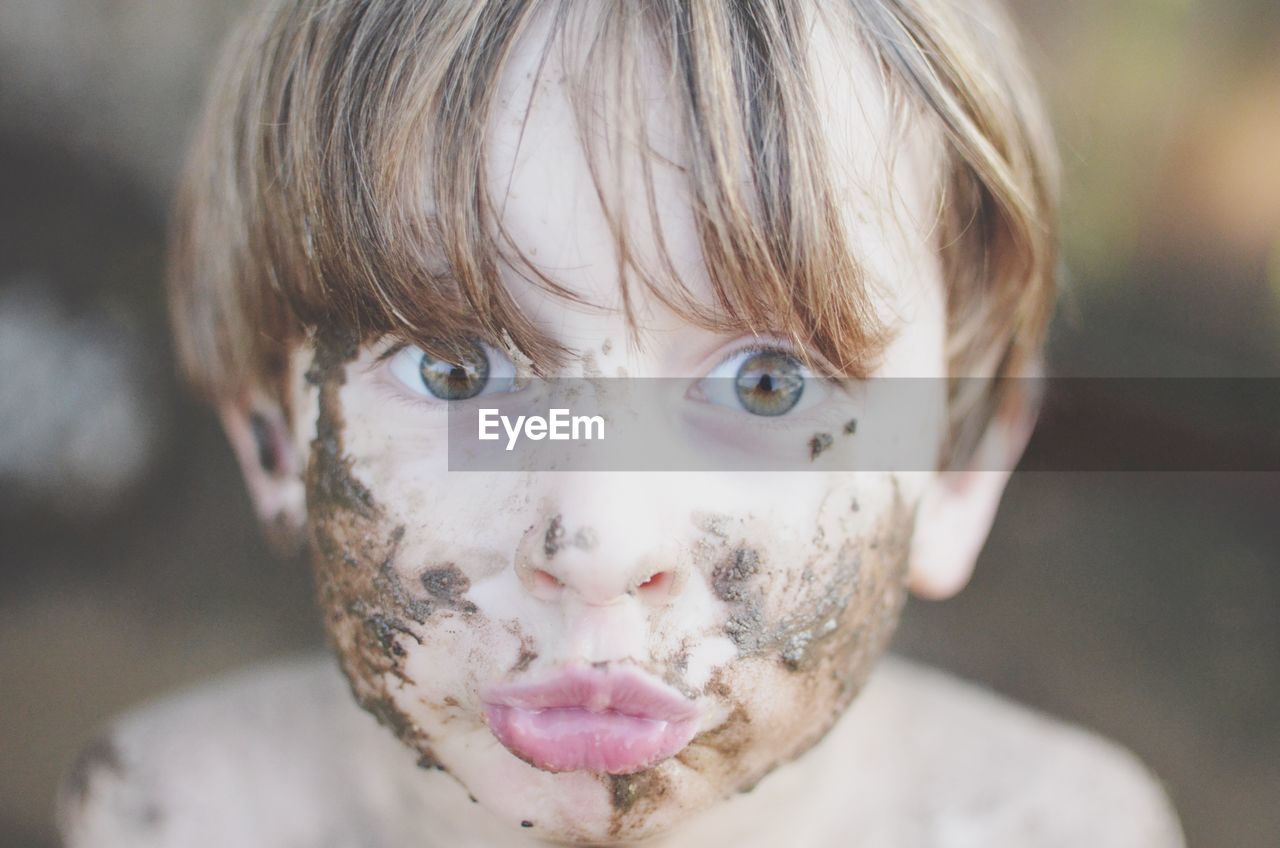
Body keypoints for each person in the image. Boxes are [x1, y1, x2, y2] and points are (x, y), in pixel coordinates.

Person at [59, 1, 1184, 845]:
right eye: (457, 371)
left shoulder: (1057, 825)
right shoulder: (167, 811)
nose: (597, 546)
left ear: (954, 466)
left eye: (764, 385)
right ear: (272, 434)